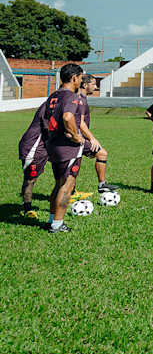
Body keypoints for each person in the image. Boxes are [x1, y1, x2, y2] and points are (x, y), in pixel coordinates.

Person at [42, 64, 86, 233]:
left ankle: (52, 220)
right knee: (67, 185)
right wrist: (76, 136)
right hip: (67, 147)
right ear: (74, 78)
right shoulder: (71, 96)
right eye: (80, 78)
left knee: (59, 183)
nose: (81, 82)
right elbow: (68, 117)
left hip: (53, 144)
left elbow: (48, 119)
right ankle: (57, 225)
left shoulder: (53, 96)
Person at [77, 75, 116, 195]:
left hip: (79, 138)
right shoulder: (80, 100)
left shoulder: (82, 98)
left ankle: (102, 185)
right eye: (93, 84)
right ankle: (101, 185)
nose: (96, 87)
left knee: (77, 164)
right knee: (101, 153)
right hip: (77, 139)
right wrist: (92, 139)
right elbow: (80, 123)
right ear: (85, 85)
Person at [17, 100, 50, 219]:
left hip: (47, 146)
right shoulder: (49, 106)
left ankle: (68, 196)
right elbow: (49, 128)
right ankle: (27, 208)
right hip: (33, 147)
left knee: (64, 168)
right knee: (31, 179)